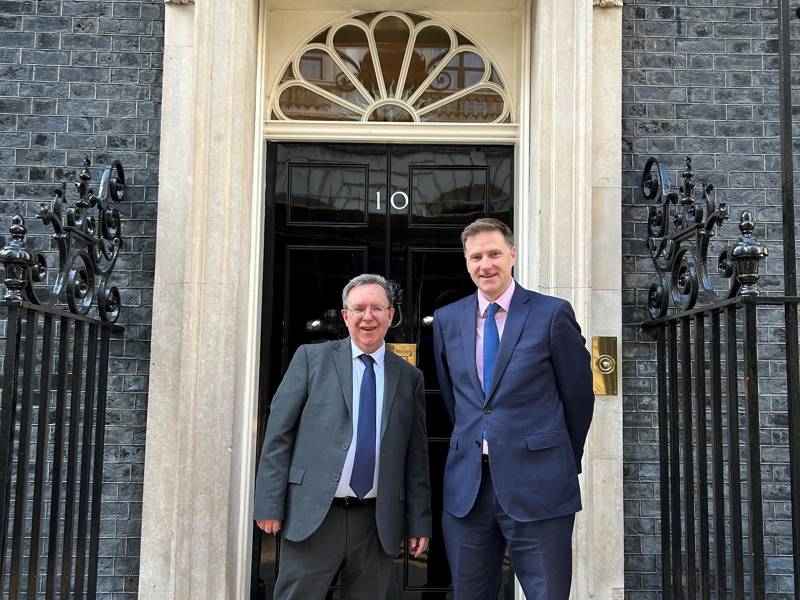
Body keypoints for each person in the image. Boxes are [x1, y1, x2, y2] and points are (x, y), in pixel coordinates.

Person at [433, 218, 594, 600]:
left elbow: (578, 397)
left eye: (493, 254)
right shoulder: (447, 319)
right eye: (476, 257)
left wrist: (560, 458)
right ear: (466, 262)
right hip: (468, 490)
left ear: (512, 255)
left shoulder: (552, 314)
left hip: (540, 483)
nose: (485, 264)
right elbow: (456, 400)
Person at [254, 273, 432, 600]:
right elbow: (278, 436)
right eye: (359, 308)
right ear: (346, 315)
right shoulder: (311, 360)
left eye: (377, 308)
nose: (368, 317)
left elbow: (415, 457)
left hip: (376, 521)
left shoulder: (409, 378)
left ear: (391, 316)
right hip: (315, 515)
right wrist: (269, 503)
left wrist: (419, 521)